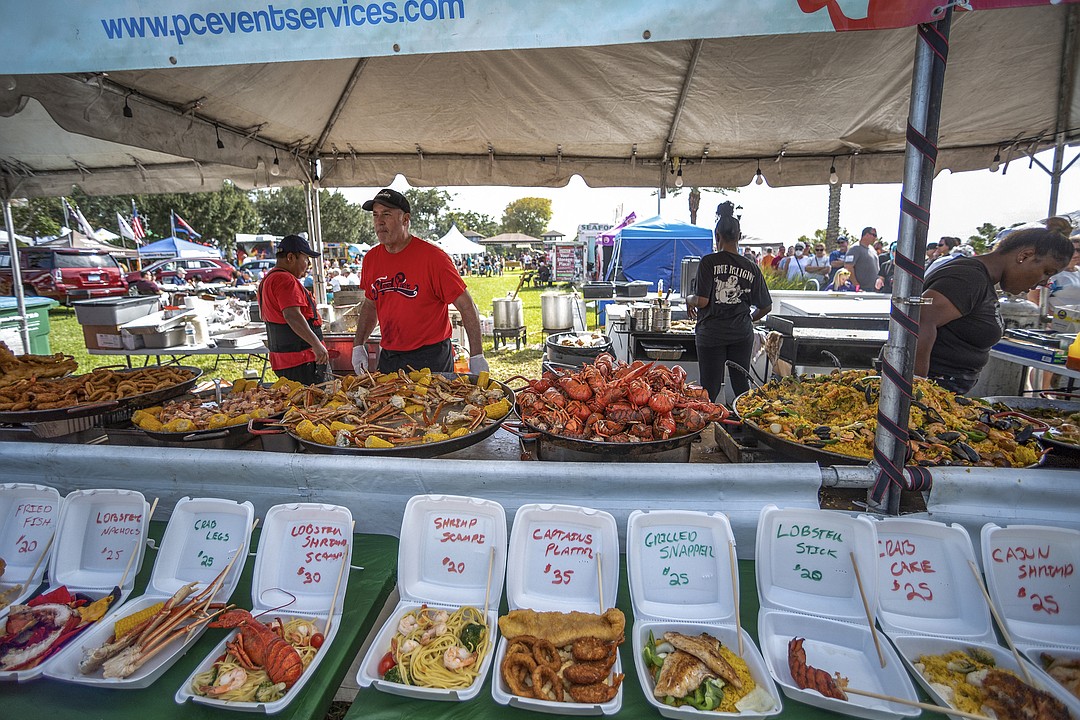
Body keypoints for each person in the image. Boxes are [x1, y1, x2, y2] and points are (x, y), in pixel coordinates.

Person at [915, 218, 1074, 394]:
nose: (1043, 283)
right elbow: (921, 321)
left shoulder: (983, 280)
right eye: (1046, 272)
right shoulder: (968, 277)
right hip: (932, 390)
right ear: (1025, 255)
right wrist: (918, 390)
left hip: (946, 389)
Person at [351, 188, 487, 375]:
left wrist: (477, 356)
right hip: (390, 355)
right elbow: (370, 304)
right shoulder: (371, 259)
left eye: (387, 214)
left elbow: (467, 306)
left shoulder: (433, 258)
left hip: (431, 356)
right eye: (375, 215)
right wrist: (358, 345)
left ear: (405, 219)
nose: (379, 222)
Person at [686, 201, 772, 404]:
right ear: (739, 237)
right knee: (741, 385)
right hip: (741, 334)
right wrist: (748, 319)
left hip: (711, 334)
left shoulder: (709, 262)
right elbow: (766, 306)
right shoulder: (751, 268)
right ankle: (745, 426)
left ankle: (706, 428)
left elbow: (703, 301)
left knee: (709, 388)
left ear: (717, 237)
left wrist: (689, 299)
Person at [257, 234, 330, 385]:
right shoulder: (285, 280)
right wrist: (316, 344)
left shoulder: (268, 280)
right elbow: (292, 316)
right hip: (301, 361)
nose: (308, 264)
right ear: (290, 257)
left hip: (285, 361)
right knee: (313, 405)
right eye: (305, 259)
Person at [844, 226, 880, 290]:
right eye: (874, 235)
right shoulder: (855, 248)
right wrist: (856, 286)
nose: (875, 238)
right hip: (861, 290)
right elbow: (848, 267)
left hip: (873, 289)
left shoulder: (872, 249)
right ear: (866, 235)